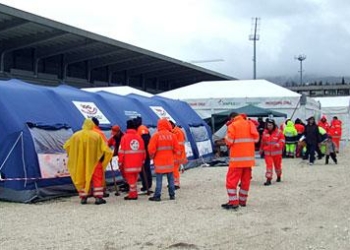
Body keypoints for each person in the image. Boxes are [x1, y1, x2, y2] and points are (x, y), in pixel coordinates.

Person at [63, 118, 113, 205]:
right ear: (92, 125)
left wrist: (74, 155)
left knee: (82, 178)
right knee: (97, 178)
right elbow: (104, 148)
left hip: (81, 162)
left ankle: (84, 197)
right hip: (95, 161)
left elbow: (67, 146)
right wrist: (106, 157)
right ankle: (98, 198)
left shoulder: (76, 135)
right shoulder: (96, 136)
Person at [221, 112, 259, 210]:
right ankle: (242, 201)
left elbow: (229, 141)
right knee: (245, 182)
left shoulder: (233, 125)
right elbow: (256, 138)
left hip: (237, 160)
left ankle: (233, 202)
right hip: (248, 160)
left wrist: (225, 138)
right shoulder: (249, 124)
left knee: (231, 182)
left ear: (232, 118)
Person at [148, 118, 180, 202]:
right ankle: (172, 195)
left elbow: (151, 149)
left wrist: (152, 157)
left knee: (159, 180)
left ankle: (157, 196)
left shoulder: (156, 136)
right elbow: (177, 149)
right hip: (169, 161)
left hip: (159, 162)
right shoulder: (172, 136)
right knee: (171, 179)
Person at [118, 119, 146, 200]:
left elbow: (121, 152)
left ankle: (133, 195)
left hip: (128, 164)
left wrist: (120, 162)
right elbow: (143, 151)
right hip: (138, 163)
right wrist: (142, 160)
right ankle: (133, 193)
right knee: (134, 179)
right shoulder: (139, 137)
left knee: (131, 181)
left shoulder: (124, 138)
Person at [260, 119, 285, 185]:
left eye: (270, 125)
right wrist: (261, 149)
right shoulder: (265, 132)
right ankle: (268, 179)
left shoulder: (279, 132)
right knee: (269, 166)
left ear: (273, 125)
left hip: (277, 153)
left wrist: (279, 144)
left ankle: (278, 175)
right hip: (268, 153)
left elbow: (282, 140)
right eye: (268, 125)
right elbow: (263, 142)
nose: (269, 126)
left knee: (277, 166)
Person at [91, 117, 110, 197]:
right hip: (98, 158)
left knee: (87, 175)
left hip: (86, 159)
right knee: (99, 177)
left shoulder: (82, 133)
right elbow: (105, 146)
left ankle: (87, 194)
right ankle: (100, 193)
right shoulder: (99, 133)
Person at [134, 116, 153, 194]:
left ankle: (146, 186)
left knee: (144, 169)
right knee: (145, 169)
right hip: (145, 152)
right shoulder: (140, 129)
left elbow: (145, 140)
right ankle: (147, 185)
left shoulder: (142, 129)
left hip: (144, 152)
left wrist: (141, 150)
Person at [169, 120, 188, 189]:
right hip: (178, 153)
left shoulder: (176, 132)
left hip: (177, 154)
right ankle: (173, 182)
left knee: (175, 169)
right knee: (174, 169)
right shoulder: (177, 131)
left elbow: (176, 144)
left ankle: (176, 183)